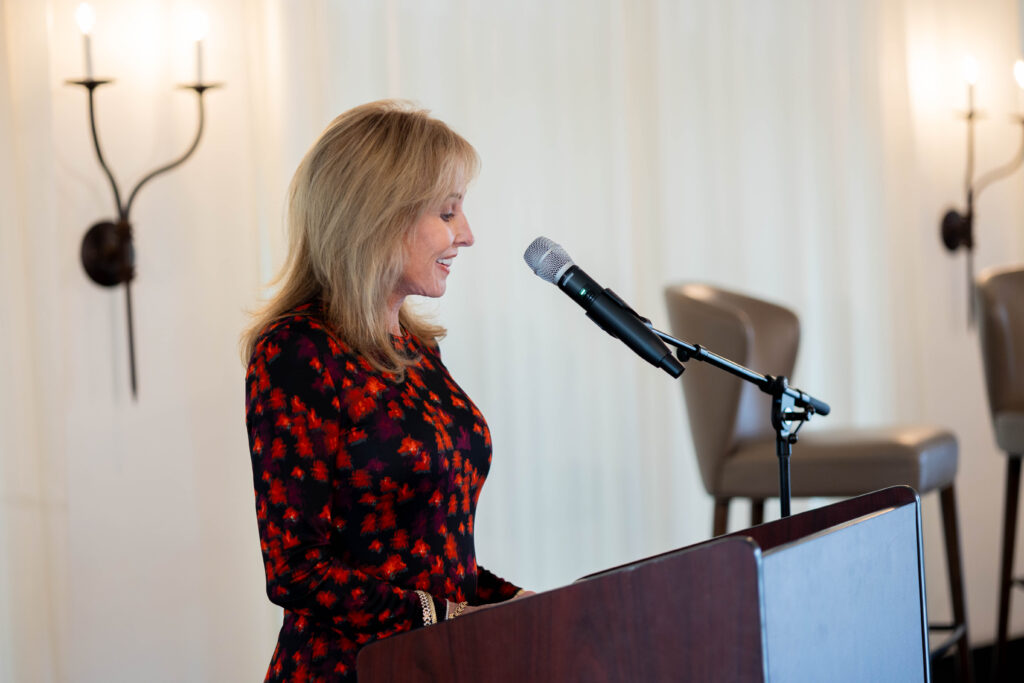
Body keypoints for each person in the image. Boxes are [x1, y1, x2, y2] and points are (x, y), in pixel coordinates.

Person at [241, 100, 528, 682]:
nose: (466, 235)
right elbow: (297, 570)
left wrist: (518, 604)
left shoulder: (418, 351)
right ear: (379, 216)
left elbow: (431, 552)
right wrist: (449, 617)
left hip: (435, 662)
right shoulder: (296, 352)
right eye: (447, 212)